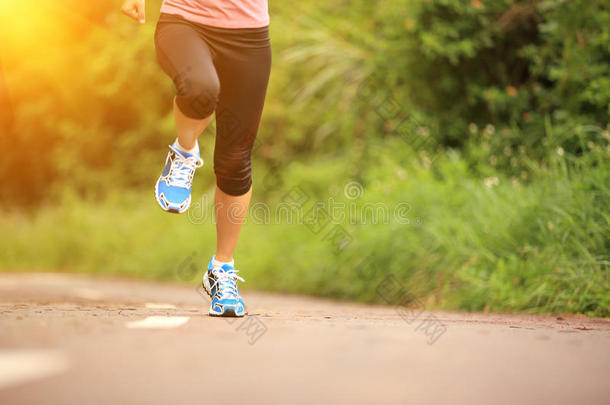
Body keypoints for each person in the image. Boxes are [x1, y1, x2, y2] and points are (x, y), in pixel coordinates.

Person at [121, 0, 271, 317]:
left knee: (235, 160)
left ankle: (221, 270)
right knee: (200, 88)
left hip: (250, 34)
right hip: (185, 20)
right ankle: (185, 151)